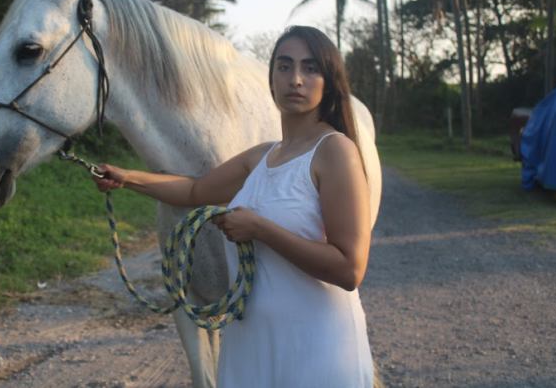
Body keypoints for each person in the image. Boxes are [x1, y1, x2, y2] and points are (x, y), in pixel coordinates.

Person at [93, 26, 374, 387]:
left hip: (316, 345)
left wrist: (261, 230)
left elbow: (350, 269)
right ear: (271, 78)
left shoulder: (335, 151)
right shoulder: (264, 155)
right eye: (284, 67)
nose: (296, 80)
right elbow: (195, 191)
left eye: (311, 68)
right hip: (250, 342)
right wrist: (128, 177)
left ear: (329, 81)